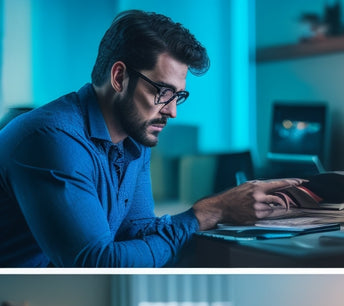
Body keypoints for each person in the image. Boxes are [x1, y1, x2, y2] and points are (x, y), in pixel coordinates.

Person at [0, 10, 300, 267]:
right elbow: (97, 263)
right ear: (119, 77)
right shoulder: (51, 139)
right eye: (162, 92)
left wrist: (231, 213)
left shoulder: (134, 138)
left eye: (178, 96)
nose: (171, 111)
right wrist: (208, 212)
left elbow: (137, 233)